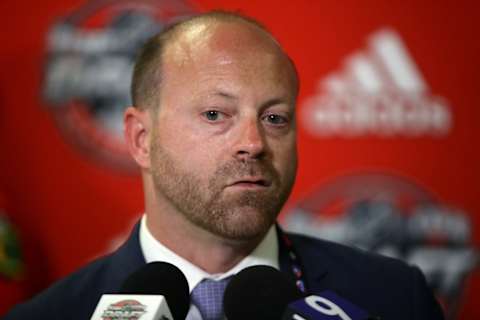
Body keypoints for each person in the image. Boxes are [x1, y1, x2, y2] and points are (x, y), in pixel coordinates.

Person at [4, 11, 444, 320]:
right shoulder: (55, 314)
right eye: (215, 115)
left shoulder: (393, 297)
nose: (253, 144)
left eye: (274, 118)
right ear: (141, 139)